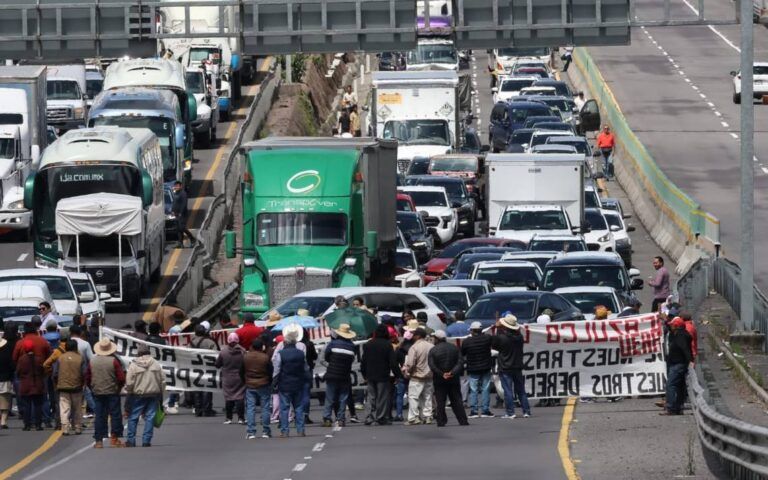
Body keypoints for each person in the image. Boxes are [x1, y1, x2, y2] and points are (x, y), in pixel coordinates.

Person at [87, 338, 126, 448]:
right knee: (115, 415)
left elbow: (87, 377)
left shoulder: (92, 361)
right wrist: (118, 388)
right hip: (112, 391)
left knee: (99, 415)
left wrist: (93, 387)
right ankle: (114, 438)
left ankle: (99, 440)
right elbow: (121, 378)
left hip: (97, 392)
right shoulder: (114, 361)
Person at [273, 326, 310, 437]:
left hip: (284, 384)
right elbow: (305, 368)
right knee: (298, 407)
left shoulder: (281, 354)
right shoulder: (300, 353)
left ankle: (285, 431)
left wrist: (274, 382)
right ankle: (300, 430)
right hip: (298, 383)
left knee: (284, 408)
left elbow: (277, 370)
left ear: (285, 342)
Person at [125, 344, 164, 447]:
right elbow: (162, 380)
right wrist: (161, 392)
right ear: (149, 352)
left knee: (133, 417)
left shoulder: (133, 365)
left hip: (138, 394)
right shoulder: (156, 364)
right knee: (150, 417)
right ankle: (146, 440)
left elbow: (129, 382)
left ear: (138, 353)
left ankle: (131, 440)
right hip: (153, 394)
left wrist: (129, 392)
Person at [492, 314, 531, 418]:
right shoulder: (520, 337)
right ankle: (526, 411)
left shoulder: (502, 338)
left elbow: (494, 343)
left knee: (508, 391)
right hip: (517, 366)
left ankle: (510, 412)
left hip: (505, 367)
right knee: (521, 390)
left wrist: (497, 328)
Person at [428, 330, 469, 427]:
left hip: (439, 379)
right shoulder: (454, 348)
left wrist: (442, 374)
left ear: (437, 339)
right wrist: (452, 373)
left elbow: (432, 365)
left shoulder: (433, 350)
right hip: (453, 378)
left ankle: (441, 421)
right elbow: (460, 363)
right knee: (457, 400)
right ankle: (463, 420)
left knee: (440, 401)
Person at [361, 324, 400, 426]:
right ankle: (381, 417)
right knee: (382, 397)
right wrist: (398, 375)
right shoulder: (387, 345)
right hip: (383, 374)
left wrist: (364, 374)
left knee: (371, 397)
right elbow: (393, 362)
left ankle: (369, 417)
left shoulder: (368, 344)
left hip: (370, 374)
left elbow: (363, 361)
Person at [322, 324, 356, 427]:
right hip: (345, 374)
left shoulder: (333, 344)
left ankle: (327, 418)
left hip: (332, 373)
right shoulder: (352, 347)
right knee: (343, 397)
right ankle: (341, 419)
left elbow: (327, 356)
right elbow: (352, 360)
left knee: (330, 397)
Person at [461, 321, 494, 418]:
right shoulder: (487, 338)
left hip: (473, 368)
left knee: (473, 390)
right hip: (486, 367)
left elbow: (462, 353)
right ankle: (485, 410)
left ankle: (474, 411)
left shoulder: (467, 341)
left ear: (472, 331)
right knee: (485, 389)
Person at [241, 338, 273, 439]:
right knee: (265, 408)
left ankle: (251, 432)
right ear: (262, 347)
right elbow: (270, 371)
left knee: (250, 408)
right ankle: (266, 431)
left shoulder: (246, 357)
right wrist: (269, 381)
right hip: (263, 383)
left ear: (252, 346)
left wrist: (245, 381)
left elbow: (241, 371)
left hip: (250, 384)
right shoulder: (265, 357)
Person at [402, 328, 434, 425]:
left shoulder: (414, 347)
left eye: (414, 334)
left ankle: (413, 418)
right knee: (427, 397)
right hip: (429, 375)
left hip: (417, 376)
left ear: (418, 336)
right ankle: (427, 416)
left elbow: (410, 363)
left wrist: (408, 372)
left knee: (413, 397)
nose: (413, 336)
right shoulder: (431, 346)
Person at [662, 318, 692, 416]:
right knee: (679, 386)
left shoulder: (680, 336)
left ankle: (671, 407)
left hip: (678, 364)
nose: (671, 326)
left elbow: (684, 348)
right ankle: (678, 407)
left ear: (676, 326)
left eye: (672, 325)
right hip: (679, 363)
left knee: (670, 385)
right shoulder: (680, 334)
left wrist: (690, 360)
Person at [55, 340, 85, 436]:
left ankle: (65, 428)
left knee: (64, 409)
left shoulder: (60, 358)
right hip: (77, 387)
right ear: (76, 348)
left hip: (63, 387)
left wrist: (57, 384)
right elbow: (84, 373)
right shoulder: (80, 358)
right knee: (77, 409)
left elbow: (55, 373)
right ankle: (77, 428)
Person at [216, 332, 246, 425]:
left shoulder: (223, 352)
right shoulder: (242, 351)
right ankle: (241, 418)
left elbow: (217, 364)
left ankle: (228, 418)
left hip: (227, 378)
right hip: (240, 378)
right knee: (240, 397)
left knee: (229, 398)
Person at [16, 339, 46, 431]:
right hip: (37, 384)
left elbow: (18, 372)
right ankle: (38, 425)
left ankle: (27, 425)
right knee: (38, 405)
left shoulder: (21, 359)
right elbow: (43, 371)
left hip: (26, 384)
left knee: (26, 405)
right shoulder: (39, 359)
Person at [191, 325, 218, 417]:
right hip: (207, 369)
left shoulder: (190, 343)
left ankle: (198, 409)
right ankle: (207, 409)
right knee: (207, 389)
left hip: (194, 369)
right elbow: (216, 355)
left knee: (197, 388)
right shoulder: (210, 342)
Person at [299, 328, 318, 425]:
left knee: (298, 394)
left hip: (296, 371)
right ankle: (305, 415)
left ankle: (298, 414)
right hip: (308, 370)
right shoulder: (309, 344)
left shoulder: (295, 344)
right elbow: (315, 356)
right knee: (306, 393)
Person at [172, 180, 196, 248]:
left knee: (182, 228)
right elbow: (174, 203)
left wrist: (181, 212)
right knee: (178, 229)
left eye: (177, 186)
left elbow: (184, 204)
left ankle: (192, 238)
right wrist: (172, 210)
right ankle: (180, 243)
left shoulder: (183, 194)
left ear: (180, 186)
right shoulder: (176, 193)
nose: (176, 187)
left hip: (182, 214)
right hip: (176, 213)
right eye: (175, 186)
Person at [0, 331, 15, 429]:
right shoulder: (8, 348)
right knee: (5, 400)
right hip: (5, 378)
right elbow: (11, 364)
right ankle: (3, 421)